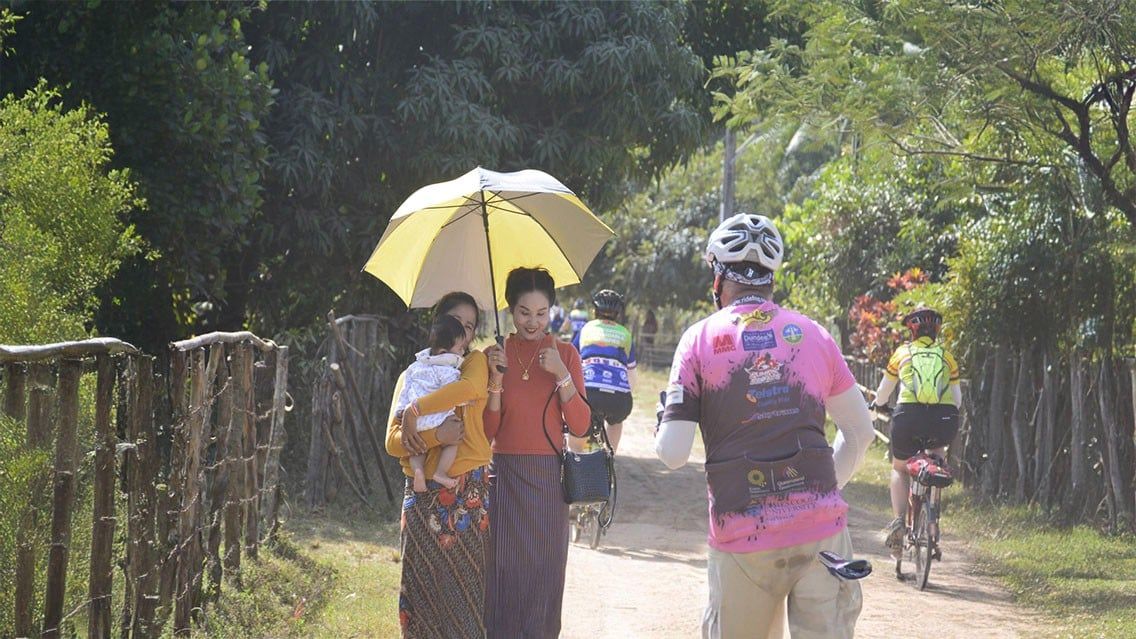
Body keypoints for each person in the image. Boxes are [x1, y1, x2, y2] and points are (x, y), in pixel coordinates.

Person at [655, 213, 875, 639]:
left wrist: (661, 425)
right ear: (772, 276)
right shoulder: (814, 334)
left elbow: (674, 453)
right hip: (822, 535)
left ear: (718, 278)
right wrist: (818, 493)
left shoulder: (698, 340)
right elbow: (861, 434)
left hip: (742, 537)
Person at [483, 267, 591, 638]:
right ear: (510, 310)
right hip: (503, 477)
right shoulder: (494, 355)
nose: (533, 322)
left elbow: (580, 425)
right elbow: (487, 432)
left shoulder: (567, 354)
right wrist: (495, 381)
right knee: (502, 570)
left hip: (548, 480)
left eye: (541, 313)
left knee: (545, 570)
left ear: (552, 311)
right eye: (524, 312)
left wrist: (562, 374)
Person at [385, 291, 491, 638]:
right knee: (420, 586)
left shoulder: (473, 364)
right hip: (421, 492)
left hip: (467, 489)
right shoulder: (412, 374)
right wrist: (436, 436)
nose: (464, 330)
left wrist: (416, 412)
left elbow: (470, 389)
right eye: (457, 321)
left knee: (466, 587)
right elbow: (392, 442)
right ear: (439, 323)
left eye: (471, 326)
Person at [870, 306, 961, 551]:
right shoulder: (947, 357)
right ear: (937, 331)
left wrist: (878, 404)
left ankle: (899, 521)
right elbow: (957, 400)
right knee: (937, 458)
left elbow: (883, 393)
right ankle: (933, 518)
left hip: (908, 417)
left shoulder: (903, 354)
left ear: (912, 331)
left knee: (900, 468)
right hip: (943, 419)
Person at [393, 314, 468, 492]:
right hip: (438, 418)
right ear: (443, 352)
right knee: (453, 442)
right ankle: (440, 472)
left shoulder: (415, 367)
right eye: (460, 348)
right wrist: (467, 399)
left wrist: (400, 410)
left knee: (416, 449)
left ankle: (418, 471)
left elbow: (405, 390)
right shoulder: (447, 370)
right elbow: (453, 393)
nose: (462, 352)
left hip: (415, 422)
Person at [572, 289, 637, 452]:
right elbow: (632, 375)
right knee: (616, 422)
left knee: (577, 429)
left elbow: (572, 361)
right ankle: (610, 455)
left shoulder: (586, 329)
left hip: (589, 393)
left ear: (595, 311)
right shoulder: (626, 334)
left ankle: (575, 456)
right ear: (618, 314)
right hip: (619, 398)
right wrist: (626, 393)